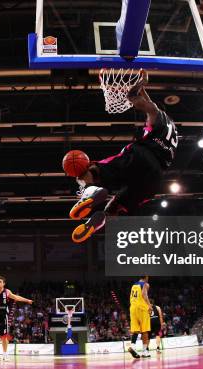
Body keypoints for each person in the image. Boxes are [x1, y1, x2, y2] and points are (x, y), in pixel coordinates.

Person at [69, 69, 178, 243]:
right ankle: (96, 222)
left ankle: (90, 192)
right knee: (115, 207)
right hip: (154, 179)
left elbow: (150, 107)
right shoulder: (171, 129)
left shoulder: (157, 116)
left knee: (95, 168)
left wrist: (134, 97)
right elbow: (151, 105)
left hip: (141, 156)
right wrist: (142, 84)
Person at [128, 276, 152, 358]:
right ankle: (145, 351)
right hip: (142, 308)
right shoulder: (145, 284)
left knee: (136, 330)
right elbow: (144, 295)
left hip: (133, 308)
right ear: (146, 277)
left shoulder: (133, 285)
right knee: (145, 330)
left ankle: (133, 346)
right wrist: (149, 306)